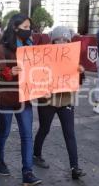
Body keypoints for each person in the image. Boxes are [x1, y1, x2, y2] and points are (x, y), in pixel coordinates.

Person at [0, 13, 41, 185]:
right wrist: (9, 73)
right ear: (15, 27)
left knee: (27, 135)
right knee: (3, 132)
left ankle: (28, 172)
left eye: (29, 28)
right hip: (4, 99)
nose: (28, 31)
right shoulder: (0, 50)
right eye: (25, 28)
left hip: (24, 99)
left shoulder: (31, 48)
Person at [33, 26, 86, 180]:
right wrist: (43, 92)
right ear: (53, 40)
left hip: (66, 100)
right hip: (47, 100)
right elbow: (36, 77)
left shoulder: (73, 56)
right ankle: (36, 154)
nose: (62, 42)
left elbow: (78, 80)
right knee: (44, 128)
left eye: (65, 39)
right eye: (58, 39)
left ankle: (75, 167)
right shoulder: (45, 55)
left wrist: (80, 72)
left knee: (70, 133)